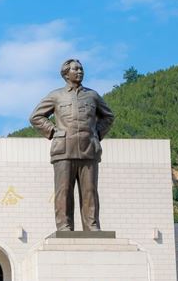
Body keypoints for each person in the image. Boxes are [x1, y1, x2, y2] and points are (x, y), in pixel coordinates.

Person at [30, 59, 115, 232]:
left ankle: (92, 225)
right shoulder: (56, 96)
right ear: (66, 74)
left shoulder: (92, 96)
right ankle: (64, 226)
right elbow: (36, 117)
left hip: (88, 149)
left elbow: (108, 117)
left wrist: (96, 133)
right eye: (75, 69)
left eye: (81, 69)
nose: (80, 71)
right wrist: (53, 132)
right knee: (63, 191)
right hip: (64, 150)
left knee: (90, 191)